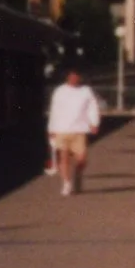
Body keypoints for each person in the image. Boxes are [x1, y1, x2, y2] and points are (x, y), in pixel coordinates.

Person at [46, 68, 103, 196]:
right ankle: (67, 183)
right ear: (67, 77)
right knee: (64, 158)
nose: (74, 79)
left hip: (79, 130)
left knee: (82, 159)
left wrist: (94, 123)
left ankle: (77, 176)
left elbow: (92, 107)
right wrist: (51, 128)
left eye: (76, 76)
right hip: (62, 129)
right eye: (71, 76)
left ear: (79, 78)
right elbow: (54, 110)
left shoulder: (86, 91)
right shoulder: (59, 91)